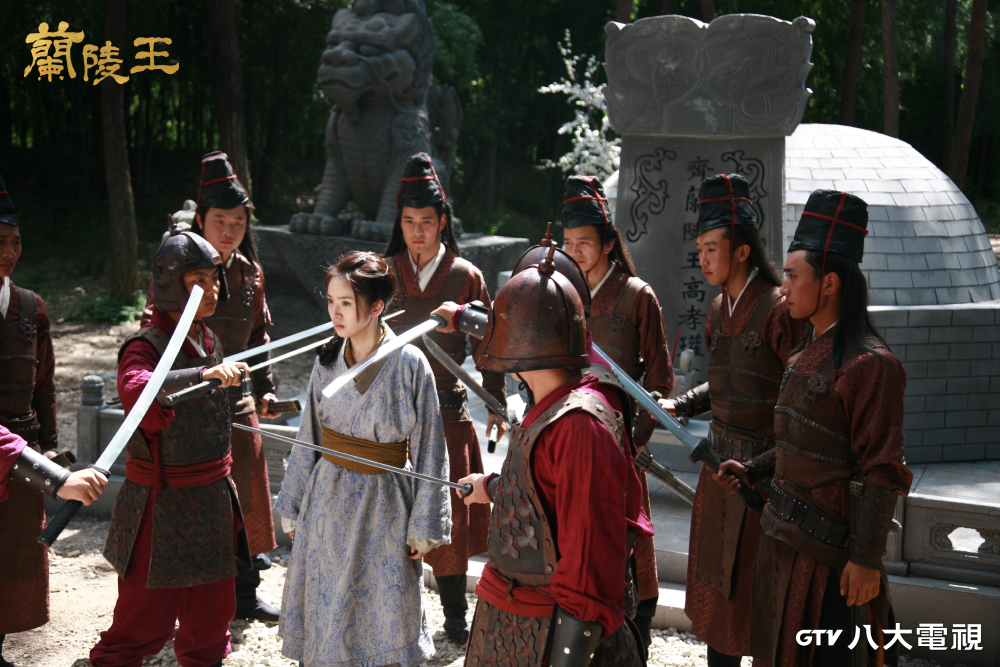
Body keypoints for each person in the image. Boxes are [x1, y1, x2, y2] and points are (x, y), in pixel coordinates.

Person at [716, 190, 912, 667]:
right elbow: (798, 445)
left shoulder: (871, 364)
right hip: (782, 539)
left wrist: (865, 559)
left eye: (791, 275)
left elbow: (882, 469)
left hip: (830, 557)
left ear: (829, 283)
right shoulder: (806, 353)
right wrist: (752, 469)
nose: (782, 288)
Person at [459, 245, 647, 667]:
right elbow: (542, 496)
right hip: (511, 626)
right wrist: (491, 487)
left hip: (547, 636)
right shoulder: (549, 405)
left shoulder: (581, 427)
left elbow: (587, 569)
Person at [273, 251, 451, 667]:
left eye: (346, 303)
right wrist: (294, 503)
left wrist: (423, 526)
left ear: (376, 306)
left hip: (384, 502)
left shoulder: (410, 363)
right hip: (328, 497)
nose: (335, 313)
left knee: (385, 603)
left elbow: (430, 446)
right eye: (330, 301)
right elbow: (309, 435)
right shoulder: (327, 359)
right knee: (327, 597)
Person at [658, 173, 802, 667]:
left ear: (742, 250)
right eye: (699, 248)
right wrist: (683, 404)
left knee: (758, 597)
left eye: (712, 248)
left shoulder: (780, 309)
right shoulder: (719, 308)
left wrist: (767, 466)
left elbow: (798, 401)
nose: (702, 258)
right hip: (717, 466)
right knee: (718, 596)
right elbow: (721, 383)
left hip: (763, 476)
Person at [90, 231, 252, 667]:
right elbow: (137, 391)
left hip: (212, 498)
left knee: (212, 620)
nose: (211, 289)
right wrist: (204, 375)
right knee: (139, 625)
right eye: (198, 280)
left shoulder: (208, 338)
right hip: (159, 504)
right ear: (170, 283)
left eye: (214, 279)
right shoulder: (144, 346)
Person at [141, 151, 280, 622]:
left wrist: (266, 387)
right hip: (189, 405)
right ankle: (184, 603)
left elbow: (259, 337)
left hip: (239, 405)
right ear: (200, 219)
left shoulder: (251, 273)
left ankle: (246, 595)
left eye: (239, 221)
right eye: (220, 220)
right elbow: (153, 332)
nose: (229, 230)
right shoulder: (175, 270)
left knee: (248, 501)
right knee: (195, 508)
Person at [382, 152, 507, 644]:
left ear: (442, 223)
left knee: (446, 511)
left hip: (448, 413)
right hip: (391, 415)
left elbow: (489, 346)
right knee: (392, 514)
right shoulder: (382, 272)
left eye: (427, 222)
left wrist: (495, 401)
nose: (417, 232)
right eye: (409, 222)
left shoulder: (465, 276)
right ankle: (391, 616)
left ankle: (455, 618)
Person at [561, 174, 673, 648]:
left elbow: (661, 381)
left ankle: (635, 644)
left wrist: (634, 439)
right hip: (567, 442)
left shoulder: (636, 296)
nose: (575, 252)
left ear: (608, 243)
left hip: (620, 445)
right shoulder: (560, 292)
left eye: (584, 243)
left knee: (631, 553)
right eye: (568, 243)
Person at [0, 176, 108, 666]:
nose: (9, 252)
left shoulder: (30, 306)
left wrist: (50, 449)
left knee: (15, 552)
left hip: (24, 451)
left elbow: (44, 385)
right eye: (0, 242)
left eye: (16, 242)